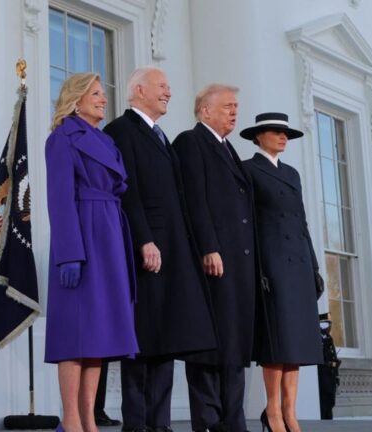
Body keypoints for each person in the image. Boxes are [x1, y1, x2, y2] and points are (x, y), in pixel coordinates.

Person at [103, 67, 217, 432]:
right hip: (145, 251)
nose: (169, 92)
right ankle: (137, 425)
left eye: (169, 86)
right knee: (143, 341)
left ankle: (161, 424)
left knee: (167, 340)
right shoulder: (120, 131)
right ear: (138, 90)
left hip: (173, 251)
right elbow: (127, 190)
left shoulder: (161, 136)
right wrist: (143, 239)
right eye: (162, 86)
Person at [44, 72, 139, 432]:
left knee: (97, 332)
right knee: (74, 331)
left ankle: (88, 419)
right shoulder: (62, 138)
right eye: (96, 93)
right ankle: (71, 419)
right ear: (77, 98)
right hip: (83, 234)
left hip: (110, 233)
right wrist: (69, 253)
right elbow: (60, 199)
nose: (103, 99)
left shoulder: (106, 141)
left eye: (103, 94)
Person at [173, 84, 258, 432]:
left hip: (239, 263)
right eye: (227, 107)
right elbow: (194, 199)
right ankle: (208, 422)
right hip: (213, 261)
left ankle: (233, 422)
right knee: (210, 347)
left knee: (235, 346)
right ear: (205, 111)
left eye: (236, 106)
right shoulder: (191, 142)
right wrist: (209, 246)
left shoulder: (229, 149)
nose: (234, 112)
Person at [240, 112, 324, 432]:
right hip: (272, 262)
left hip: (300, 262)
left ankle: (290, 412)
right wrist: (257, 267)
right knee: (277, 341)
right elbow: (248, 224)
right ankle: (272, 410)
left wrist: (315, 266)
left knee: (297, 343)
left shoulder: (292, 173)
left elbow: (301, 223)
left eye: (286, 133)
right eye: (276, 132)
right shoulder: (249, 170)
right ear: (258, 136)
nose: (283, 137)